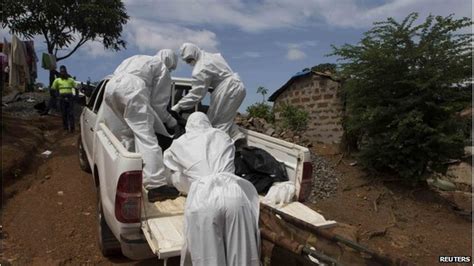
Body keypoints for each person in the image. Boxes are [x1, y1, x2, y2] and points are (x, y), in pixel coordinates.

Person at [163, 112, 260, 266]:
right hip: (234, 195)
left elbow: (169, 168)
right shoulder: (223, 136)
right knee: (242, 257)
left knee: (208, 259)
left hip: (204, 199)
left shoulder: (179, 143)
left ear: (189, 126)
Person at [102, 49, 180, 199]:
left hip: (111, 88)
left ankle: (129, 173)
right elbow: (158, 105)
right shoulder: (161, 67)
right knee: (147, 138)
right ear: (170, 61)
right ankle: (156, 185)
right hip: (132, 88)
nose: (169, 69)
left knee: (127, 133)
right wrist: (172, 122)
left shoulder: (138, 58)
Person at [171, 43, 246, 141]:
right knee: (225, 119)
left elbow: (197, 94)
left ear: (194, 53)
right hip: (238, 86)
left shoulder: (200, 68)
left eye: (190, 60)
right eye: (187, 61)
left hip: (227, 89)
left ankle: (219, 148)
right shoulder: (213, 56)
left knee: (216, 123)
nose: (190, 63)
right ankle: (238, 138)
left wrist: (179, 106)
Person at [51, 65, 76, 132]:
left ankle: (72, 128)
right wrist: (57, 96)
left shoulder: (70, 80)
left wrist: (75, 96)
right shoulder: (57, 80)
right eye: (61, 71)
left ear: (66, 72)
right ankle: (66, 128)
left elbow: (76, 87)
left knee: (71, 113)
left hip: (70, 97)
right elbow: (53, 89)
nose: (63, 73)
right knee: (64, 114)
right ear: (60, 72)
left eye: (64, 71)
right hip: (61, 97)